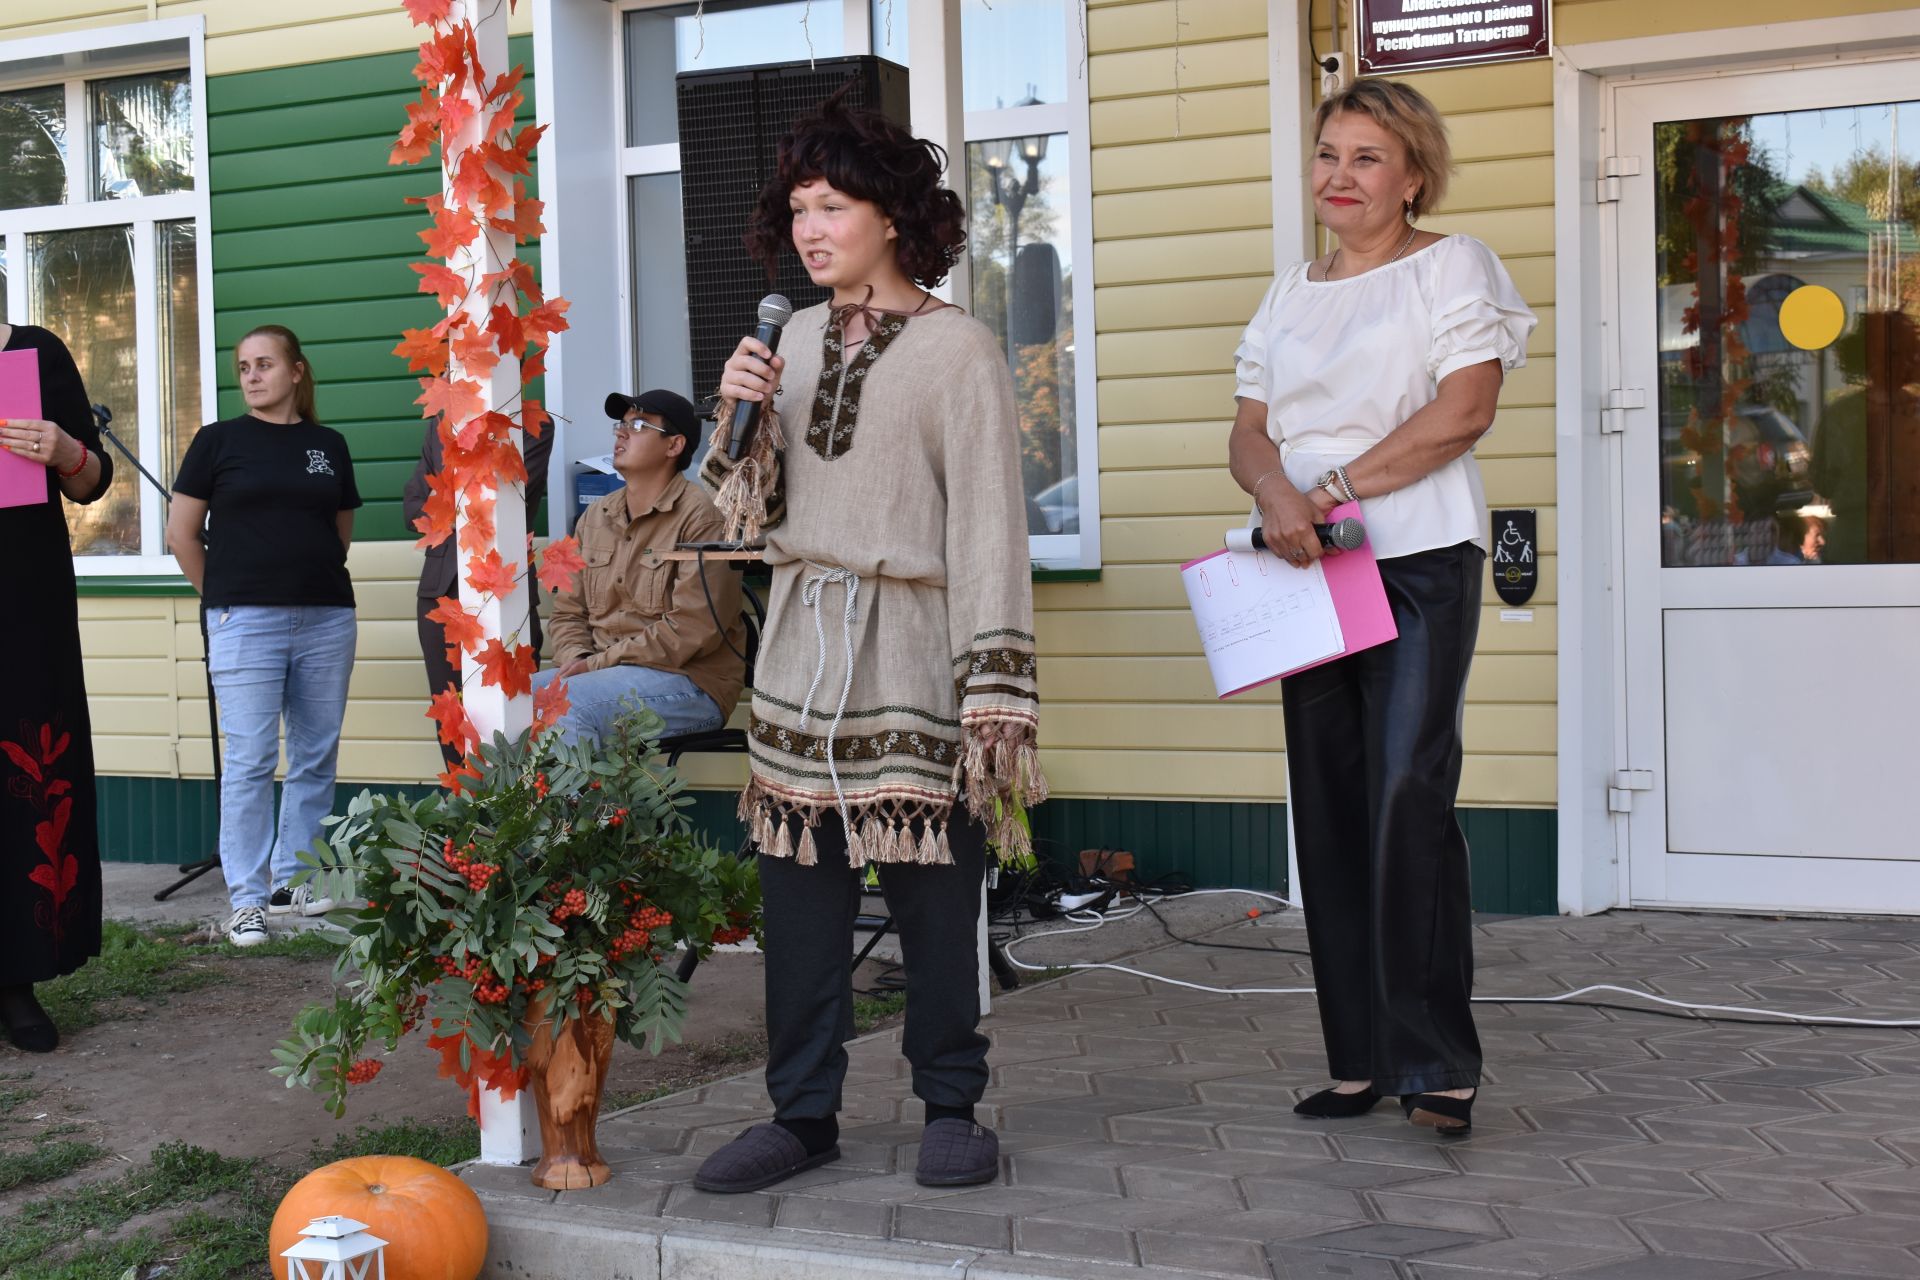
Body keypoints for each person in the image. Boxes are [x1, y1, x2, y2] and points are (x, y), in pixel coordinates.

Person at [691, 97, 1044, 1193]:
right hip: (800, 649)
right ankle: (802, 1113)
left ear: (892, 214)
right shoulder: (789, 338)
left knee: (937, 896)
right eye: (798, 207)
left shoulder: (960, 350)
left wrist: (994, 689)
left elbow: (989, 522)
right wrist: (732, 414)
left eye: (832, 203)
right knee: (799, 900)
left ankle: (952, 1102)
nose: (811, 226)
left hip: (914, 646)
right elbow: (742, 515)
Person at [1227, 79, 1536, 1135]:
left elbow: (1465, 410)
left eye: (1367, 157)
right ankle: (1358, 1058)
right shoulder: (1289, 290)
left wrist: (1332, 490)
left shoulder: (1452, 266)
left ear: (1413, 175)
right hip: (1302, 560)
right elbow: (1249, 427)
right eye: (1328, 154)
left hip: (1411, 557)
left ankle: (1436, 1061)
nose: (1341, 176)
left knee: (1409, 792)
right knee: (1328, 807)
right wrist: (1274, 495)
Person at [166, 325, 361, 949]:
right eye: (244, 366)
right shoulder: (218, 441)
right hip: (243, 620)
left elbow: (340, 532)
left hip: (326, 618)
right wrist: (222, 597)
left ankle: (290, 883)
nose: (252, 376)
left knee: (314, 755)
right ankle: (246, 900)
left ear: (297, 371)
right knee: (250, 760)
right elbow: (181, 534)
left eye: (265, 364)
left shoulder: (329, 445)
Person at [0, 323, 114, 1052]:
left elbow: (91, 479)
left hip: (22, 597)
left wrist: (64, 450)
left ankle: (17, 978)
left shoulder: (33, 353)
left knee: (21, 775)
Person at [529, 389, 745, 744]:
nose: (621, 433)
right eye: (621, 424)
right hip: (600, 673)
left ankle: (581, 802)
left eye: (639, 425)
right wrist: (578, 658)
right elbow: (569, 613)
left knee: (567, 706)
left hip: (689, 682)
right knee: (501, 702)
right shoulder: (595, 517)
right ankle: (524, 802)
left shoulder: (702, 517)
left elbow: (693, 628)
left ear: (674, 446)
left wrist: (594, 667)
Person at [402, 411, 553, 768]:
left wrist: (448, 497)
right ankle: (464, 814)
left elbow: (500, 501)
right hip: (441, 592)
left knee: (510, 718)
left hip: (503, 592)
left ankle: (512, 815)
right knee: (453, 719)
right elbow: (412, 508)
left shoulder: (532, 422)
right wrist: (463, 497)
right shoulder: (442, 421)